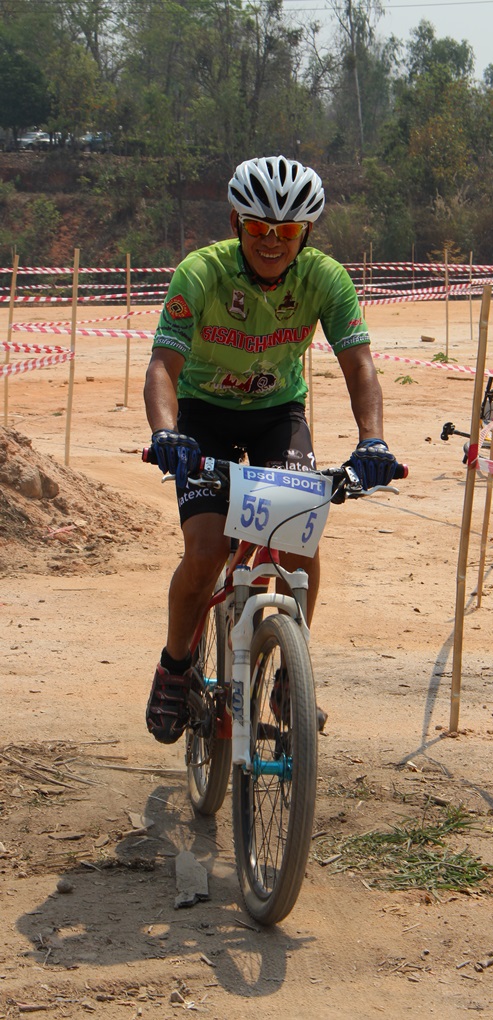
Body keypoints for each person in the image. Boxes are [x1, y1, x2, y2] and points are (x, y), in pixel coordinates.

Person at [143, 154, 399, 744]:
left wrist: (373, 439)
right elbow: (163, 365)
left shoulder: (325, 279)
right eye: (259, 227)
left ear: (305, 233)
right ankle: (175, 667)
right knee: (207, 551)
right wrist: (165, 433)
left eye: (286, 231)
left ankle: (291, 672)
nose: (272, 242)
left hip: (276, 415)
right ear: (236, 223)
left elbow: (359, 365)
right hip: (201, 415)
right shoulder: (200, 273)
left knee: (299, 542)